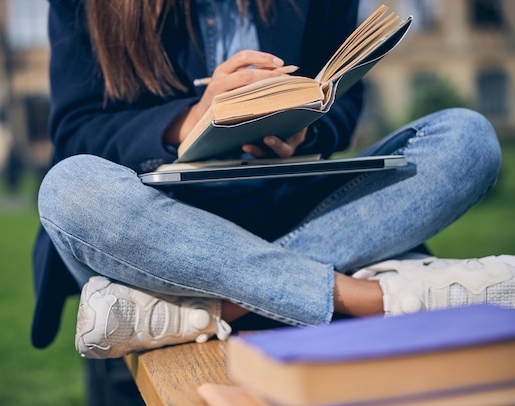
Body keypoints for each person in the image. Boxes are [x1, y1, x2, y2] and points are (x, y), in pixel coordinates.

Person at [32, 0, 515, 358]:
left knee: (467, 139)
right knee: (69, 190)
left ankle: (213, 308)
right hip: (153, 222)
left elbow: (346, 98)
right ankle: (361, 295)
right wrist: (192, 119)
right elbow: (77, 132)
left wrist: (306, 128)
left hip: (291, 201)